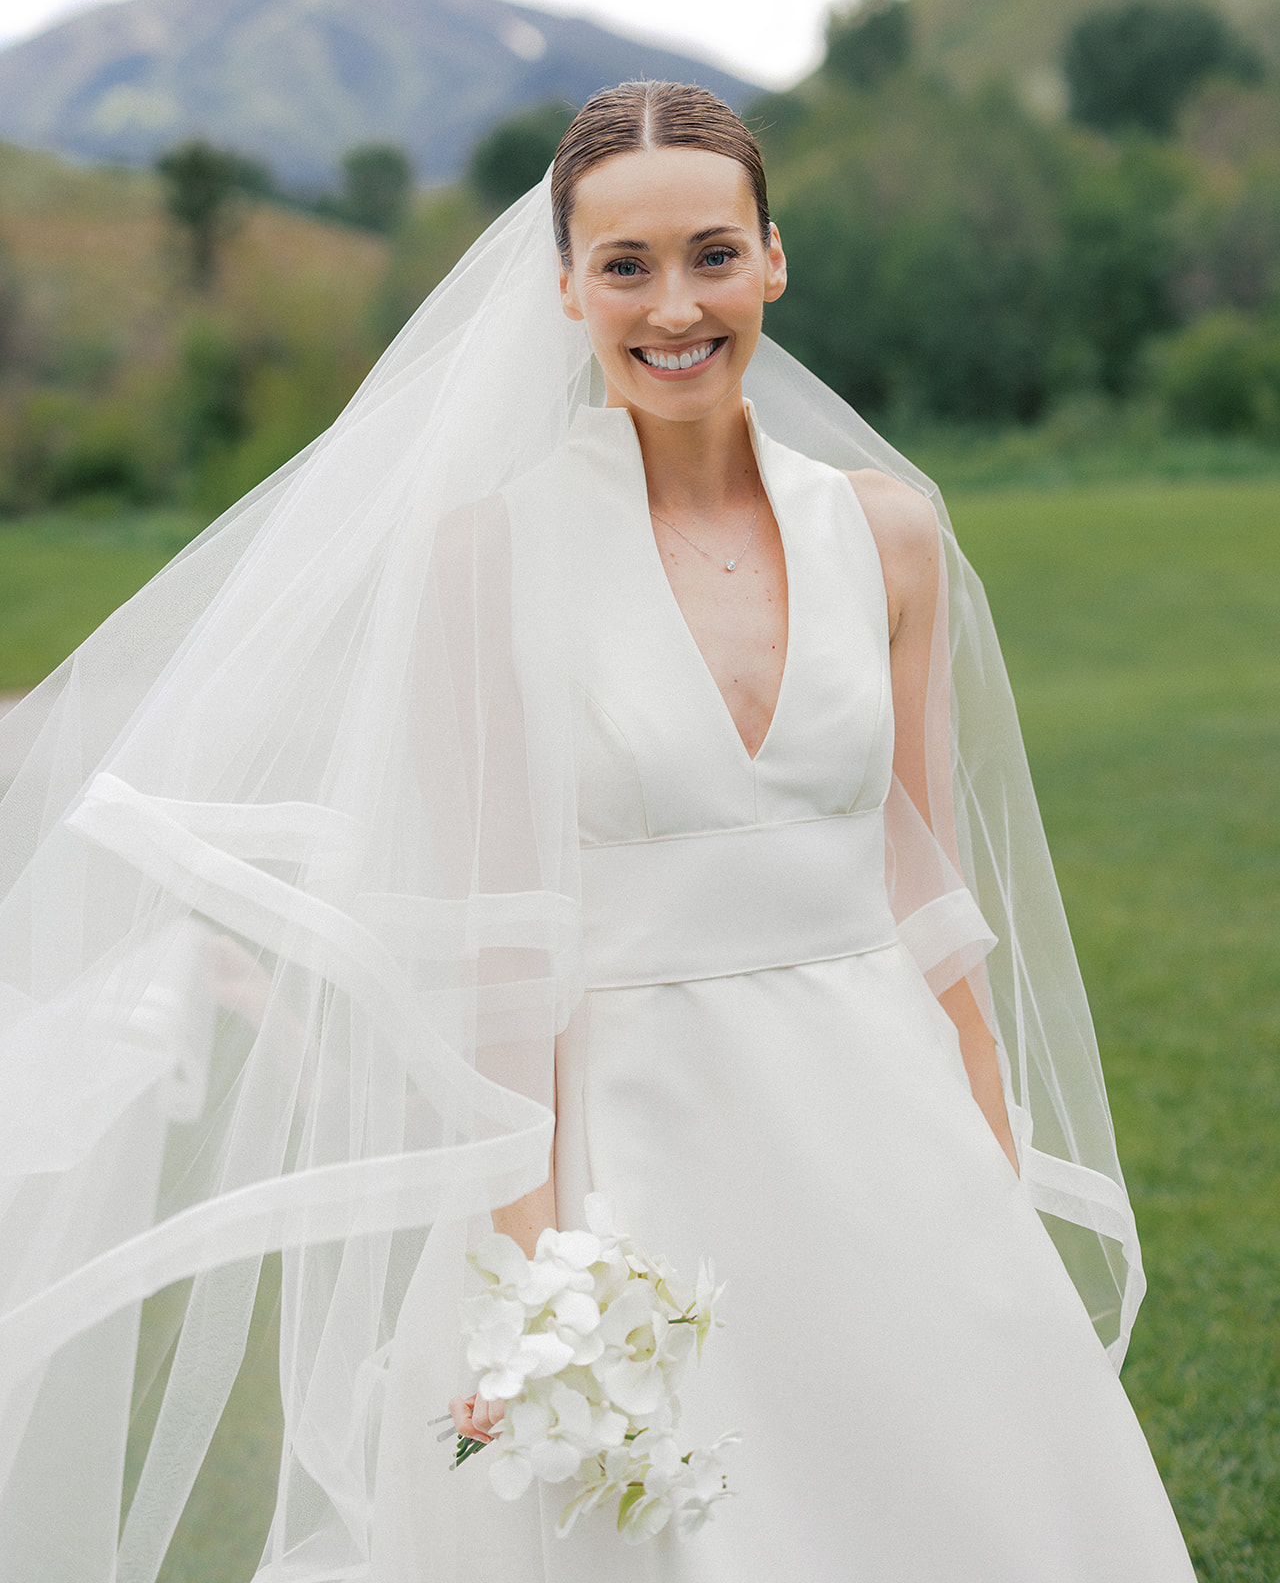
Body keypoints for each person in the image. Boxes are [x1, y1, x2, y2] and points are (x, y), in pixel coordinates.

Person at [0, 82, 1194, 1581]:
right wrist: (537, 1271)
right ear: (565, 285)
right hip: (635, 1140)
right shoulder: (487, 556)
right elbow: (500, 954)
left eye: (710, 253)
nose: (673, 304)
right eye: (625, 265)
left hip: (884, 1121)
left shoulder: (888, 530)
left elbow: (919, 856)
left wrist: (985, 1132)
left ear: (773, 258)